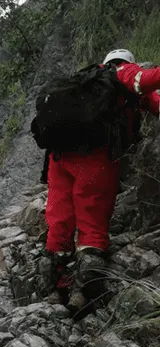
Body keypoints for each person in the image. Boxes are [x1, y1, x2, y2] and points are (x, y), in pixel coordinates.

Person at [42, 49, 160, 314]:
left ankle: (54, 289)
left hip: (59, 158)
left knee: (59, 221)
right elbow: (147, 82)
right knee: (92, 223)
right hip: (94, 160)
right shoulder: (121, 72)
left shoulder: (82, 78)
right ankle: (84, 294)